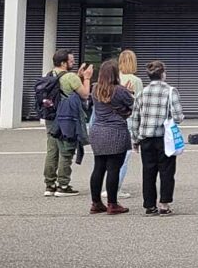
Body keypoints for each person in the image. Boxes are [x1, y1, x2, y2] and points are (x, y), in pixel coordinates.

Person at [129, 60, 184, 217]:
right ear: (163, 74)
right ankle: (164, 204)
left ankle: (149, 205)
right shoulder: (170, 91)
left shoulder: (141, 93)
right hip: (164, 138)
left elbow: (134, 119)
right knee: (167, 171)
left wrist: (135, 140)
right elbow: (178, 117)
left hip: (146, 138)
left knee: (148, 171)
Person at [41, 50, 92, 197]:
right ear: (63, 63)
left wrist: (78, 75)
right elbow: (85, 94)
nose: (73, 62)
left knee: (52, 150)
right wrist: (86, 78)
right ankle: (63, 185)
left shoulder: (49, 75)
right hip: (66, 118)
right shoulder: (70, 77)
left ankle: (49, 185)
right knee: (66, 150)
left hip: (51, 117)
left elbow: (64, 87)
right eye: (71, 61)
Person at [88, 60, 134, 215]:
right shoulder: (119, 90)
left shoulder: (95, 89)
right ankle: (112, 203)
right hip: (115, 131)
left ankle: (95, 202)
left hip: (97, 131)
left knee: (98, 167)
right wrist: (129, 92)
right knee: (113, 168)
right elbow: (131, 103)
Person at [114, 49, 143, 199]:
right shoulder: (136, 81)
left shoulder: (114, 78)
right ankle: (116, 188)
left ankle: (107, 184)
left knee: (111, 157)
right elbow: (138, 105)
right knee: (124, 158)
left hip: (111, 122)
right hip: (129, 122)